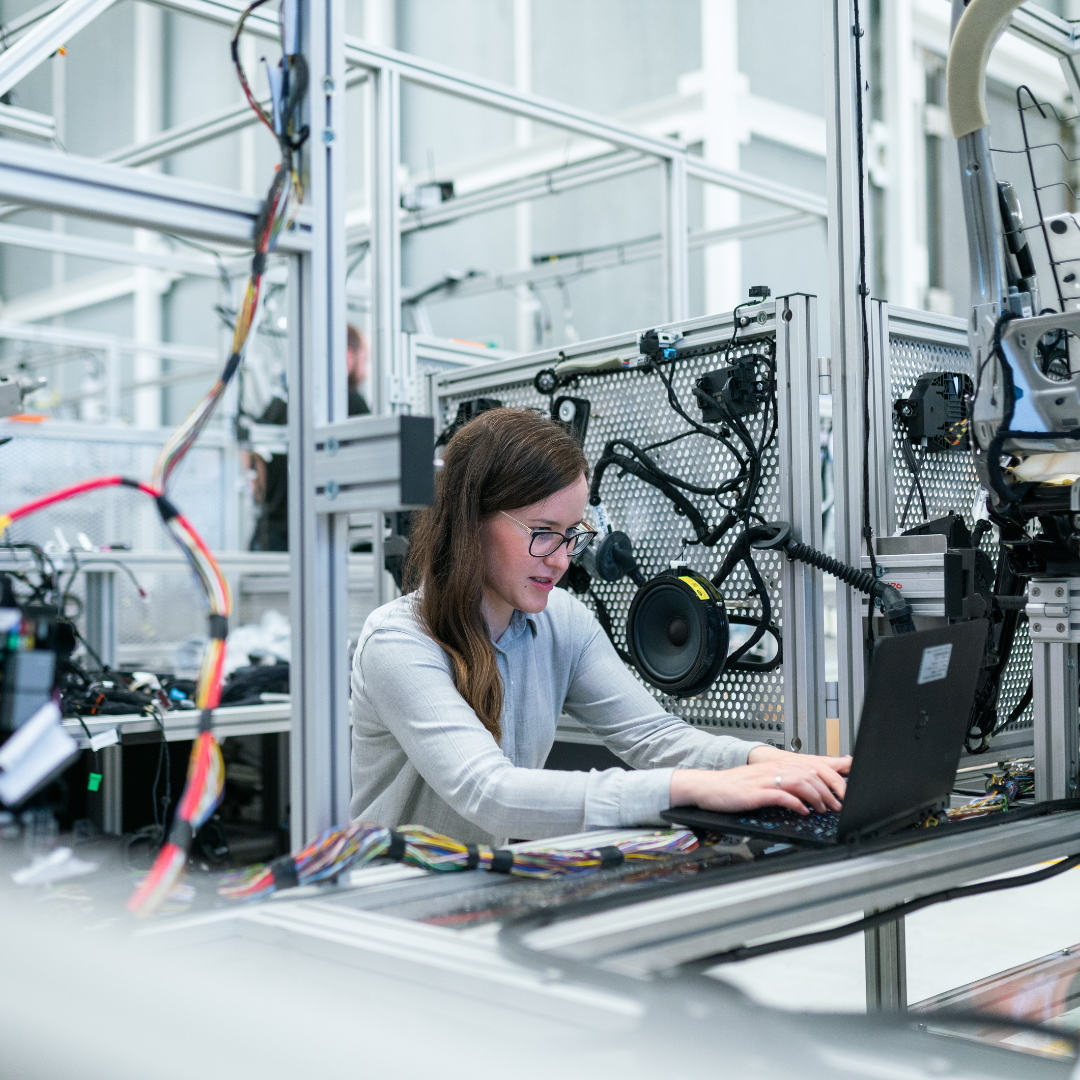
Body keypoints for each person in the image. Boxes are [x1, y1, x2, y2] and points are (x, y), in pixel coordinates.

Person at [350, 407, 850, 844]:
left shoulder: (561, 622)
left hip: (478, 891)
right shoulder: (399, 641)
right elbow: (490, 793)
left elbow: (655, 737)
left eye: (572, 535)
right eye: (543, 533)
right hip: (392, 910)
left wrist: (767, 762)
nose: (563, 560)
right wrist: (690, 788)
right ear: (470, 521)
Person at [247, 324, 370, 551]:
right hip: (321, 539)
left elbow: (252, 459)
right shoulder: (351, 402)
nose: (366, 371)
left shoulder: (281, 402)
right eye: (366, 360)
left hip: (270, 539)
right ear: (347, 357)